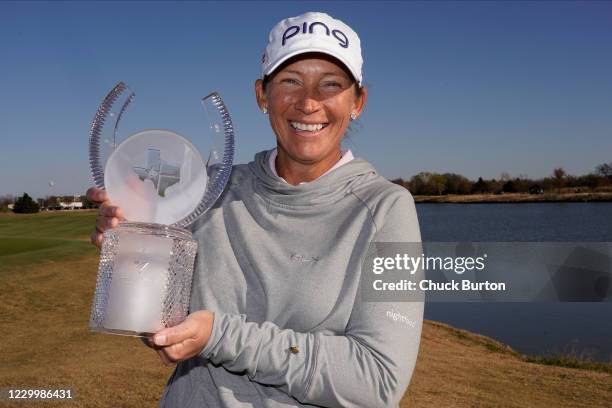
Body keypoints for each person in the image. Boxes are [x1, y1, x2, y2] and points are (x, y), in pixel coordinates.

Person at [87, 11, 423, 408]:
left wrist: (220, 337)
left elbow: (378, 380)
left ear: (357, 102)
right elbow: (160, 328)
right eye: (290, 82)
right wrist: (134, 250)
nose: (309, 102)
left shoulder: (389, 209)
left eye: (330, 84)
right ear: (263, 95)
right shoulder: (211, 189)